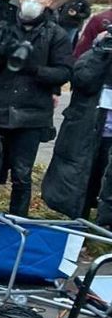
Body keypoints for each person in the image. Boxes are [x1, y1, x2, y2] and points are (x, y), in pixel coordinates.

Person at [0, 0, 72, 216]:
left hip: (31, 115)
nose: (32, 0)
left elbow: (64, 72)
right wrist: (2, 52)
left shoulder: (55, 34)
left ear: (49, 1)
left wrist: (34, 68)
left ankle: (17, 223)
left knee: (22, 175)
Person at [44, 33, 112, 223]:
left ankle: (104, 226)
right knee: (83, 179)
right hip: (88, 129)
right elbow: (82, 80)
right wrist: (100, 53)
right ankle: (78, 222)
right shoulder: (95, 55)